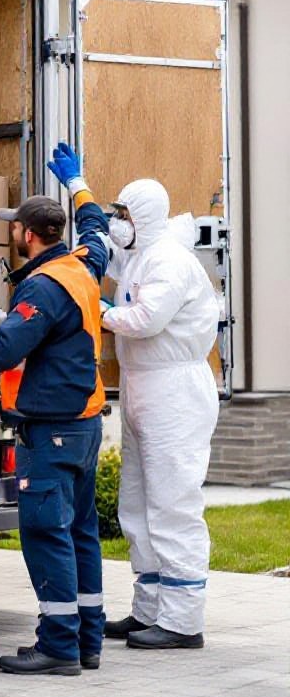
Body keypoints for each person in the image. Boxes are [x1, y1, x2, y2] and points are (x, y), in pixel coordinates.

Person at [0, 145, 110, 676]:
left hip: (51, 430)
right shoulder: (83, 266)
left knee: (45, 533)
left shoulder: (44, 286)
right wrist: (79, 182)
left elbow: (4, 351)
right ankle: (87, 639)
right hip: (82, 427)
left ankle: (59, 644)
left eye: (15, 226)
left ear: (29, 236)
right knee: (80, 532)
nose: (11, 232)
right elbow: (98, 230)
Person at [94, 178, 221, 650]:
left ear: (144, 218)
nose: (117, 224)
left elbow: (146, 320)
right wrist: (77, 188)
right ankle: (148, 609)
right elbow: (108, 260)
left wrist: (101, 309)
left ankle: (183, 621)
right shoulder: (143, 256)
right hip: (143, 387)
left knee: (173, 505)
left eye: (123, 215)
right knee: (138, 505)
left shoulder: (170, 260)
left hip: (174, 393)